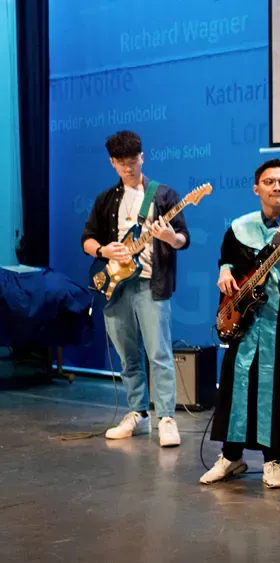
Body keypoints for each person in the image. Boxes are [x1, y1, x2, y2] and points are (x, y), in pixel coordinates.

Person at [200, 158, 280, 489]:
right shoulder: (239, 227)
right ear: (256, 187)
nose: (277, 187)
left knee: (279, 393)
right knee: (237, 389)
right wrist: (224, 270)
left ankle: (273, 461)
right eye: (270, 181)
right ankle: (231, 457)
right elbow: (227, 257)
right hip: (246, 325)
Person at [81, 130, 190, 447]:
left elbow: (183, 238)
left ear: (142, 157)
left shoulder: (164, 195)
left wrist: (169, 238)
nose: (130, 168)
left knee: (159, 354)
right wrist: (104, 251)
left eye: (134, 161)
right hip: (115, 286)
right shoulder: (105, 199)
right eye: (122, 163)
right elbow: (86, 240)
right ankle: (137, 413)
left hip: (151, 284)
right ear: (112, 163)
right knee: (128, 356)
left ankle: (166, 418)